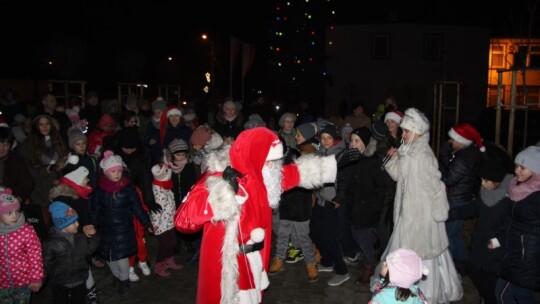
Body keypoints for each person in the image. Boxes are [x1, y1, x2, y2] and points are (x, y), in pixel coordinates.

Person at [174, 127, 337, 304]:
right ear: (253, 158)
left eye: (276, 162)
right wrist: (224, 194)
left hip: (254, 262)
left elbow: (295, 173)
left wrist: (333, 163)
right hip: (226, 267)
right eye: (269, 161)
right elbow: (183, 221)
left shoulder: (266, 175)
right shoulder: (217, 177)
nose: (273, 167)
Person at [370, 108, 463, 304]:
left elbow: (436, 185)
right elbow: (399, 177)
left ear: (418, 132)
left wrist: (439, 211)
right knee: (405, 248)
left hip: (422, 214)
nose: (403, 135)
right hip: (406, 212)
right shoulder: (406, 149)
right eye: (403, 131)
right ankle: (400, 286)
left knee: (422, 251)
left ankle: (422, 292)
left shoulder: (423, 155)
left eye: (407, 131)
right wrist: (392, 160)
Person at [89, 150, 153, 296]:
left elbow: (137, 207)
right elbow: (95, 209)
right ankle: (118, 277)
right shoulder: (100, 190)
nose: (117, 174)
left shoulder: (127, 188)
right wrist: (91, 224)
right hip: (105, 230)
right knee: (110, 258)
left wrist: (146, 222)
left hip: (123, 230)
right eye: (113, 171)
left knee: (122, 259)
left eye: (119, 170)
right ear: (106, 173)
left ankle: (124, 281)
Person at [448, 160, 512, 304]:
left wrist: (497, 241)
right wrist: (448, 214)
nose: (482, 183)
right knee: (472, 269)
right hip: (480, 241)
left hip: (494, 247)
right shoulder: (485, 196)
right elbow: (469, 209)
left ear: (496, 182)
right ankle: (488, 298)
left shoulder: (508, 202)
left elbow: (510, 225)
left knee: (488, 278)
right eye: (482, 180)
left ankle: (492, 300)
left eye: (486, 180)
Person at [490, 146, 540, 304]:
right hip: (516, 253)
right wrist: (498, 239)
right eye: (516, 166)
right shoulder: (518, 189)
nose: (517, 171)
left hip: (526, 258)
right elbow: (511, 219)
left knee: (504, 295)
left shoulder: (536, 196)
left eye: (523, 168)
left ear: (535, 171)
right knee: (521, 296)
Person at [439, 123, 484, 273]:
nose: (450, 142)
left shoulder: (464, 157)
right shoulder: (467, 154)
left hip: (457, 199)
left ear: (462, 141)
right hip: (461, 196)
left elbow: (451, 179)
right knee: (454, 233)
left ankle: (457, 264)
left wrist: (437, 173)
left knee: (449, 234)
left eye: (453, 139)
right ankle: (461, 262)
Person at [42, 201, 100, 304]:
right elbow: (46, 263)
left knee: (79, 301)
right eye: (73, 222)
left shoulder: (80, 237)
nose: (77, 224)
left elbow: (90, 250)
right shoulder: (51, 243)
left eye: (76, 221)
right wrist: (39, 280)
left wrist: (93, 236)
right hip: (60, 282)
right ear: (62, 225)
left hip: (79, 279)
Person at [0, 188, 43, 303]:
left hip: (23, 282)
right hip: (1, 284)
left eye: (17, 211)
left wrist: (36, 278)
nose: (15, 216)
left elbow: (35, 255)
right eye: (9, 213)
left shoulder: (26, 231)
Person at [150, 163, 183, 277]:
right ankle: (158, 266)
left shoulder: (166, 185)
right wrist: (154, 224)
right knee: (164, 245)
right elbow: (155, 209)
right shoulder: (157, 189)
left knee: (172, 242)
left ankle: (169, 261)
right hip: (161, 224)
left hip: (169, 221)